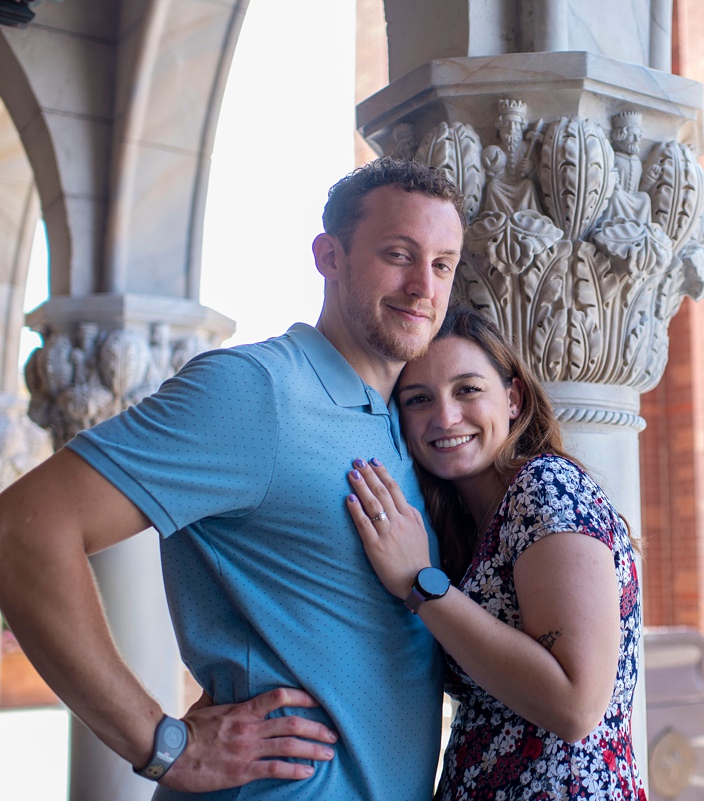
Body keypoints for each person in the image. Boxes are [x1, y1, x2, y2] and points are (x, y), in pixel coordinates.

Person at [0, 158, 465, 799]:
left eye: (442, 264)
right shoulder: (255, 391)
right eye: (398, 254)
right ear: (329, 256)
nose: (423, 286)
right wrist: (161, 742)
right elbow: (23, 531)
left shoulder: (406, 419)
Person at [343, 303, 646, 800]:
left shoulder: (546, 489)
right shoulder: (467, 524)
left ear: (513, 397)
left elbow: (575, 705)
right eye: (418, 399)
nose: (445, 416)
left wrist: (419, 582)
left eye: (467, 389)